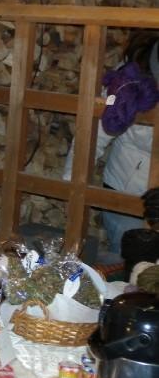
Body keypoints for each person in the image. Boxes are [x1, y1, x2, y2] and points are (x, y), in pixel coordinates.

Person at [63, 32, 159, 257]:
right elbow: (93, 134)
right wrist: (72, 186)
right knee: (130, 259)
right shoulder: (128, 81)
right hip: (127, 190)